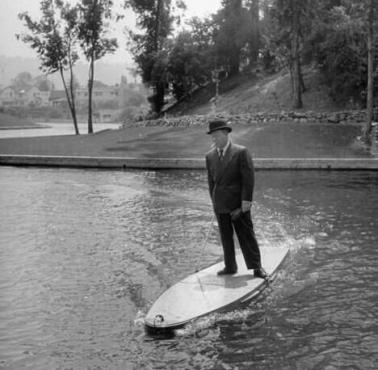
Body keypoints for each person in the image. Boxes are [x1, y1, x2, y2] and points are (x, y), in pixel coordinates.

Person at [205, 119, 268, 279]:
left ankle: (257, 267)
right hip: (220, 205)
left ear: (226, 134)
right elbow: (211, 182)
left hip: (238, 205)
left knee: (246, 236)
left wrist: (245, 203)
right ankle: (230, 266)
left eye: (217, 136)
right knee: (225, 238)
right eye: (212, 137)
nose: (214, 139)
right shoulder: (210, 156)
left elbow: (248, 179)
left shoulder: (241, 152)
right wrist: (214, 203)